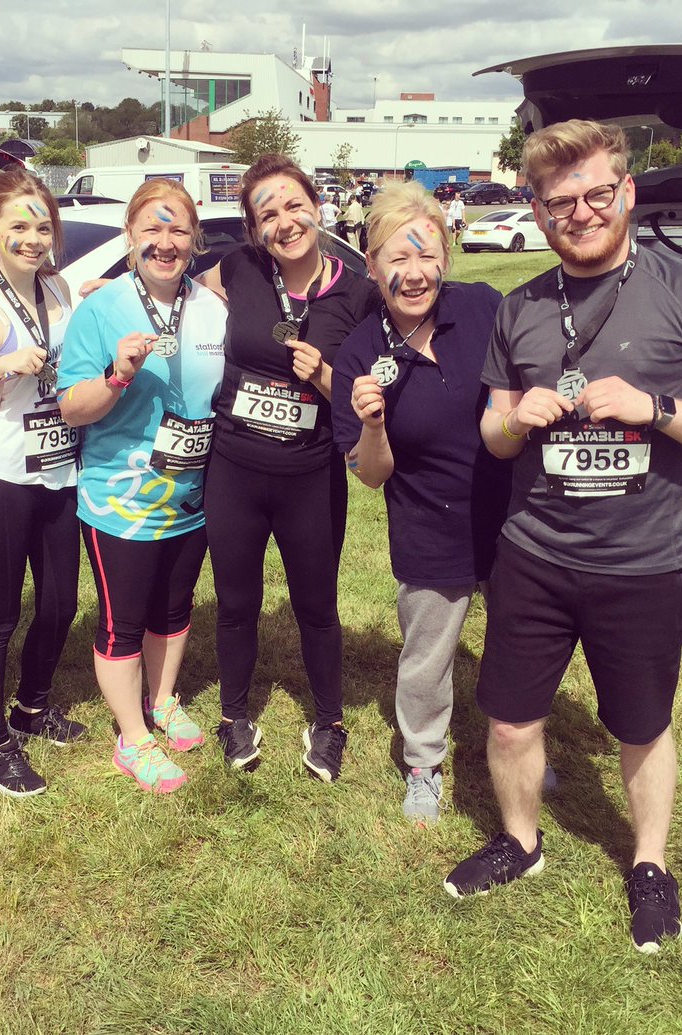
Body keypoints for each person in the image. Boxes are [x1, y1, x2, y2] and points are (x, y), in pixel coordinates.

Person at [443, 120, 682, 954]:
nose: (578, 213)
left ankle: (650, 864)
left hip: (643, 560)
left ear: (626, 193)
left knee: (641, 725)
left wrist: (653, 408)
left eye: (594, 195)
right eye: (558, 203)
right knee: (511, 721)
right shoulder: (520, 306)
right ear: (539, 214)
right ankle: (521, 840)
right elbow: (493, 433)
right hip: (536, 554)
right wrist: (517, 419)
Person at [331, 181, 511, 823]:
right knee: (428, 659)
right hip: (429, 528)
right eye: (396, 260)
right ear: (372, 265)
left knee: (518, 648)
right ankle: (424, 764)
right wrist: (374, 425)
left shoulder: (484, 308)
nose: (414, 274)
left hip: (515, 523)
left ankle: (517, 749)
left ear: (446, 255)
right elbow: (370, 476)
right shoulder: (358, 352)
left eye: (426, 255)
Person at [198, 154, 379, 781]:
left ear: (318, 206)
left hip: (310, 475)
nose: (284, 221)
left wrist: (326, 376)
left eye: (293, 205)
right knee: (235, 601)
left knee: (316, 605)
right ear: (253, 229)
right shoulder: (238, 270)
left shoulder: (357, 291)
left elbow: (372, 388)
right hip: (234, 469)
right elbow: (169, 295)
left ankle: (329, 722)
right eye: (267, 214)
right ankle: (234, 713)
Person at [58, 178, 226, 794]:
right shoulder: (101, 310)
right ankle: (132, 738)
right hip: (119, 501)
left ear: (195, 238)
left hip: (192, 497)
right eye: (152, 229)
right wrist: (117, 374)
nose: (165, 241)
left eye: (177, 229)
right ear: (130, 237)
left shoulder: (212, 307)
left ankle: (163, 699)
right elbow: (73, 407)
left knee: (174, 610)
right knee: (122, 622)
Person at [0, 168, 85, 798]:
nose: (33, 238)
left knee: (61, 604)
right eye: (18, 227)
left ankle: (32, 706)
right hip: (3, 477)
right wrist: (2, 367)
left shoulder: (61, 289)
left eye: (41, 225)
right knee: (0, 615)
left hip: (60, 471)